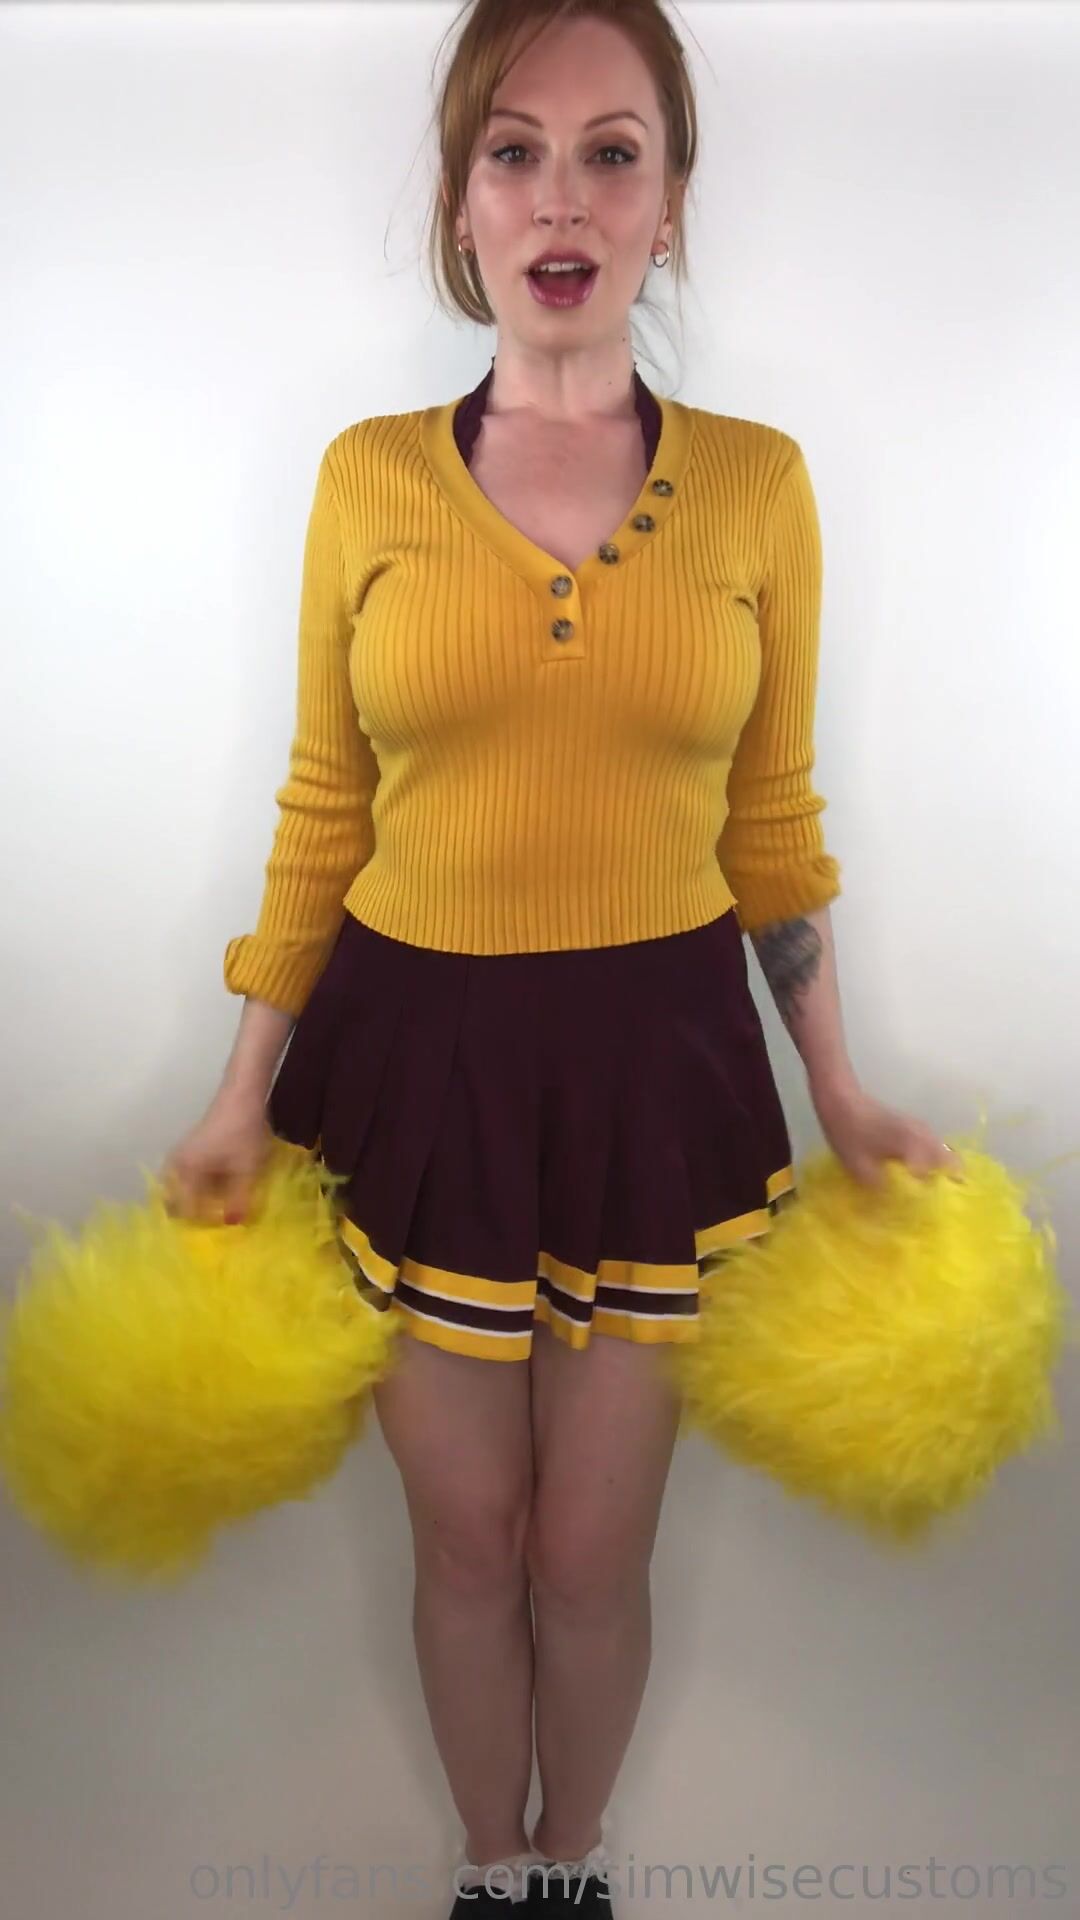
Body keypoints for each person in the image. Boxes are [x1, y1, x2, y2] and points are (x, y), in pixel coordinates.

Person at [162, 2, 952, 1912]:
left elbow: (772, 823)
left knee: (591, 1557)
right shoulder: (367, 477)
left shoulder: (759, 486)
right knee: (468, 1543)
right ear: (461, 200)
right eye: (515, 151)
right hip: (412, 1067)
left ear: (671, 200)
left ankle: (569, 1871)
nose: (563, 198)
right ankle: (487, 1867)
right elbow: (323, 808)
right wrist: (238, 1093)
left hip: (657, 1075)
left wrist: (842, 1092)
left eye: (615, 152)